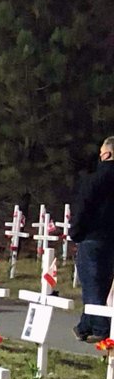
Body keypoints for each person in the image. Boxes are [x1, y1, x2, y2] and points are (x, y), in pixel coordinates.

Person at [70, 135, 114, 342]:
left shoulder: (94, 180)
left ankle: (102, 327)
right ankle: (85, 325)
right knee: (102, 283)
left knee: (92, 283)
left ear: (106, 154)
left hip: (93, 237)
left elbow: (83, 208)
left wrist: (76, 232)